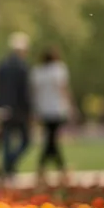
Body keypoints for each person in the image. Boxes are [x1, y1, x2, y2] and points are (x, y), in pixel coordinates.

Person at [0, 31, 33, 181]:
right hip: (19, 110)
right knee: (26, 141)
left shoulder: (2, 66)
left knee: (7, 141)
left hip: (2, 108)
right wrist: (29, 110)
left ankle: (7, 166)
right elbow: (25, 92)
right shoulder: (23, 67)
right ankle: (9, 164)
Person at [32, 45, 72, 185]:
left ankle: (44, 168)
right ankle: (60, 168)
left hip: (43, 110)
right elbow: (63, 89)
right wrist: (70, 106)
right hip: (56, 109)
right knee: (52, 140)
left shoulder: (38, 72)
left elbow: (35, 92)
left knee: (50, 139)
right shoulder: (59, 70)